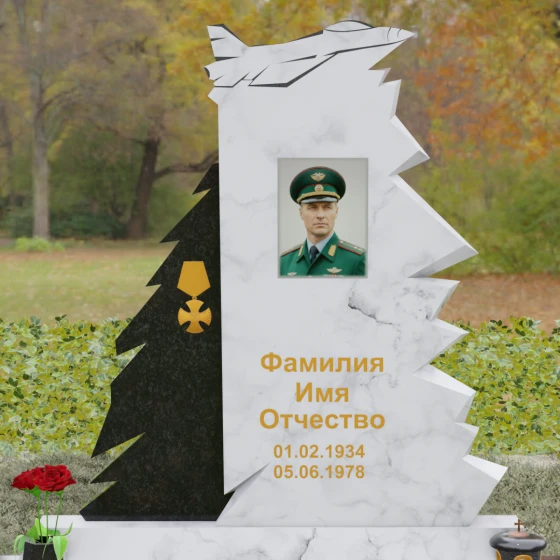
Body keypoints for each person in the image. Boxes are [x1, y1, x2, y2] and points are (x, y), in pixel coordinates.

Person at [280, 166, 366, 277]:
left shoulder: (357, 260)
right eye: (312, 208)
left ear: (336, 212)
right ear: (301, 213)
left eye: (327, 207)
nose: (320, 215)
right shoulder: (284, 262)